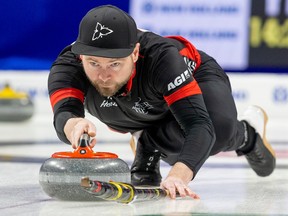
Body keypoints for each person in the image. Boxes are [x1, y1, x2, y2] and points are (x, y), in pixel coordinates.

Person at [48, 5, 276, 199]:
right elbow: (64, 114)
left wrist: (179, 174)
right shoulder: (67, 66)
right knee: (102, 100)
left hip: (197, 76)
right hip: (138, 103)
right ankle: (148, 140)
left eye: (115, 63)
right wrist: (74, 125)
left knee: (216, 132)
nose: (104, 75)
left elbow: (199, 126)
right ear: (80, 56)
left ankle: (245, 135)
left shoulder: (162, 58)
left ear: (135, 53)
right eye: (93, 63)